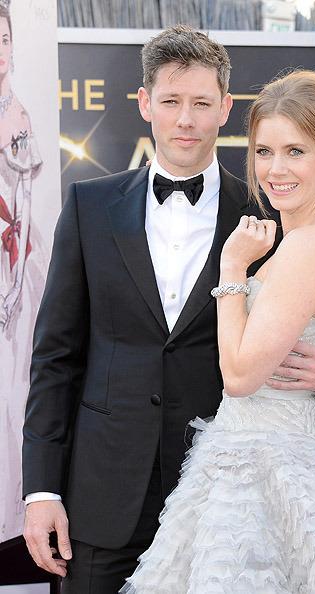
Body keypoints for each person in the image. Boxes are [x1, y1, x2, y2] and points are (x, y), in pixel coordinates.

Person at [22, 27, 315, 592]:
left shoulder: (275, 212)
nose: (186, 119)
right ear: (144, 104)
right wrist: (41, 491)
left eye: (202, 103)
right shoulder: (88, 207)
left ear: (226, 109)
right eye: (172, 101)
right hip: (105, 497)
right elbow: (55, 358)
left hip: (228, 501)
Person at [121, 68, 315, 593]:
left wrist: (231, 273)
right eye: (264, 151)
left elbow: (242, 377)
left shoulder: (309, 244)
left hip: (265, 464)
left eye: (296, 151)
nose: (274, 169)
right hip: (289, 447)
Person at [0, 0, 43, 542]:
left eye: (6, 40)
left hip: (12, 260)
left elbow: (27, 195)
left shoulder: (16, 116)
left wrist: (12, 285)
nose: (1, 53)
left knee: (15, 387)